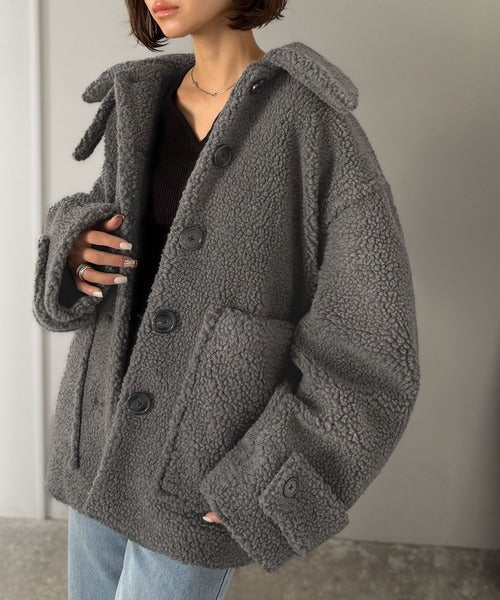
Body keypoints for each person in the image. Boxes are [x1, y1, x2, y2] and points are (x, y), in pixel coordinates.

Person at [31, 0, 421, 598]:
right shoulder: (139, 104)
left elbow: (373, 341)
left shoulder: (313, 124)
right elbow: (105, 223)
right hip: (99, 446)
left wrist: (271, 476)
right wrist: (75, 242)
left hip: (198, 471)